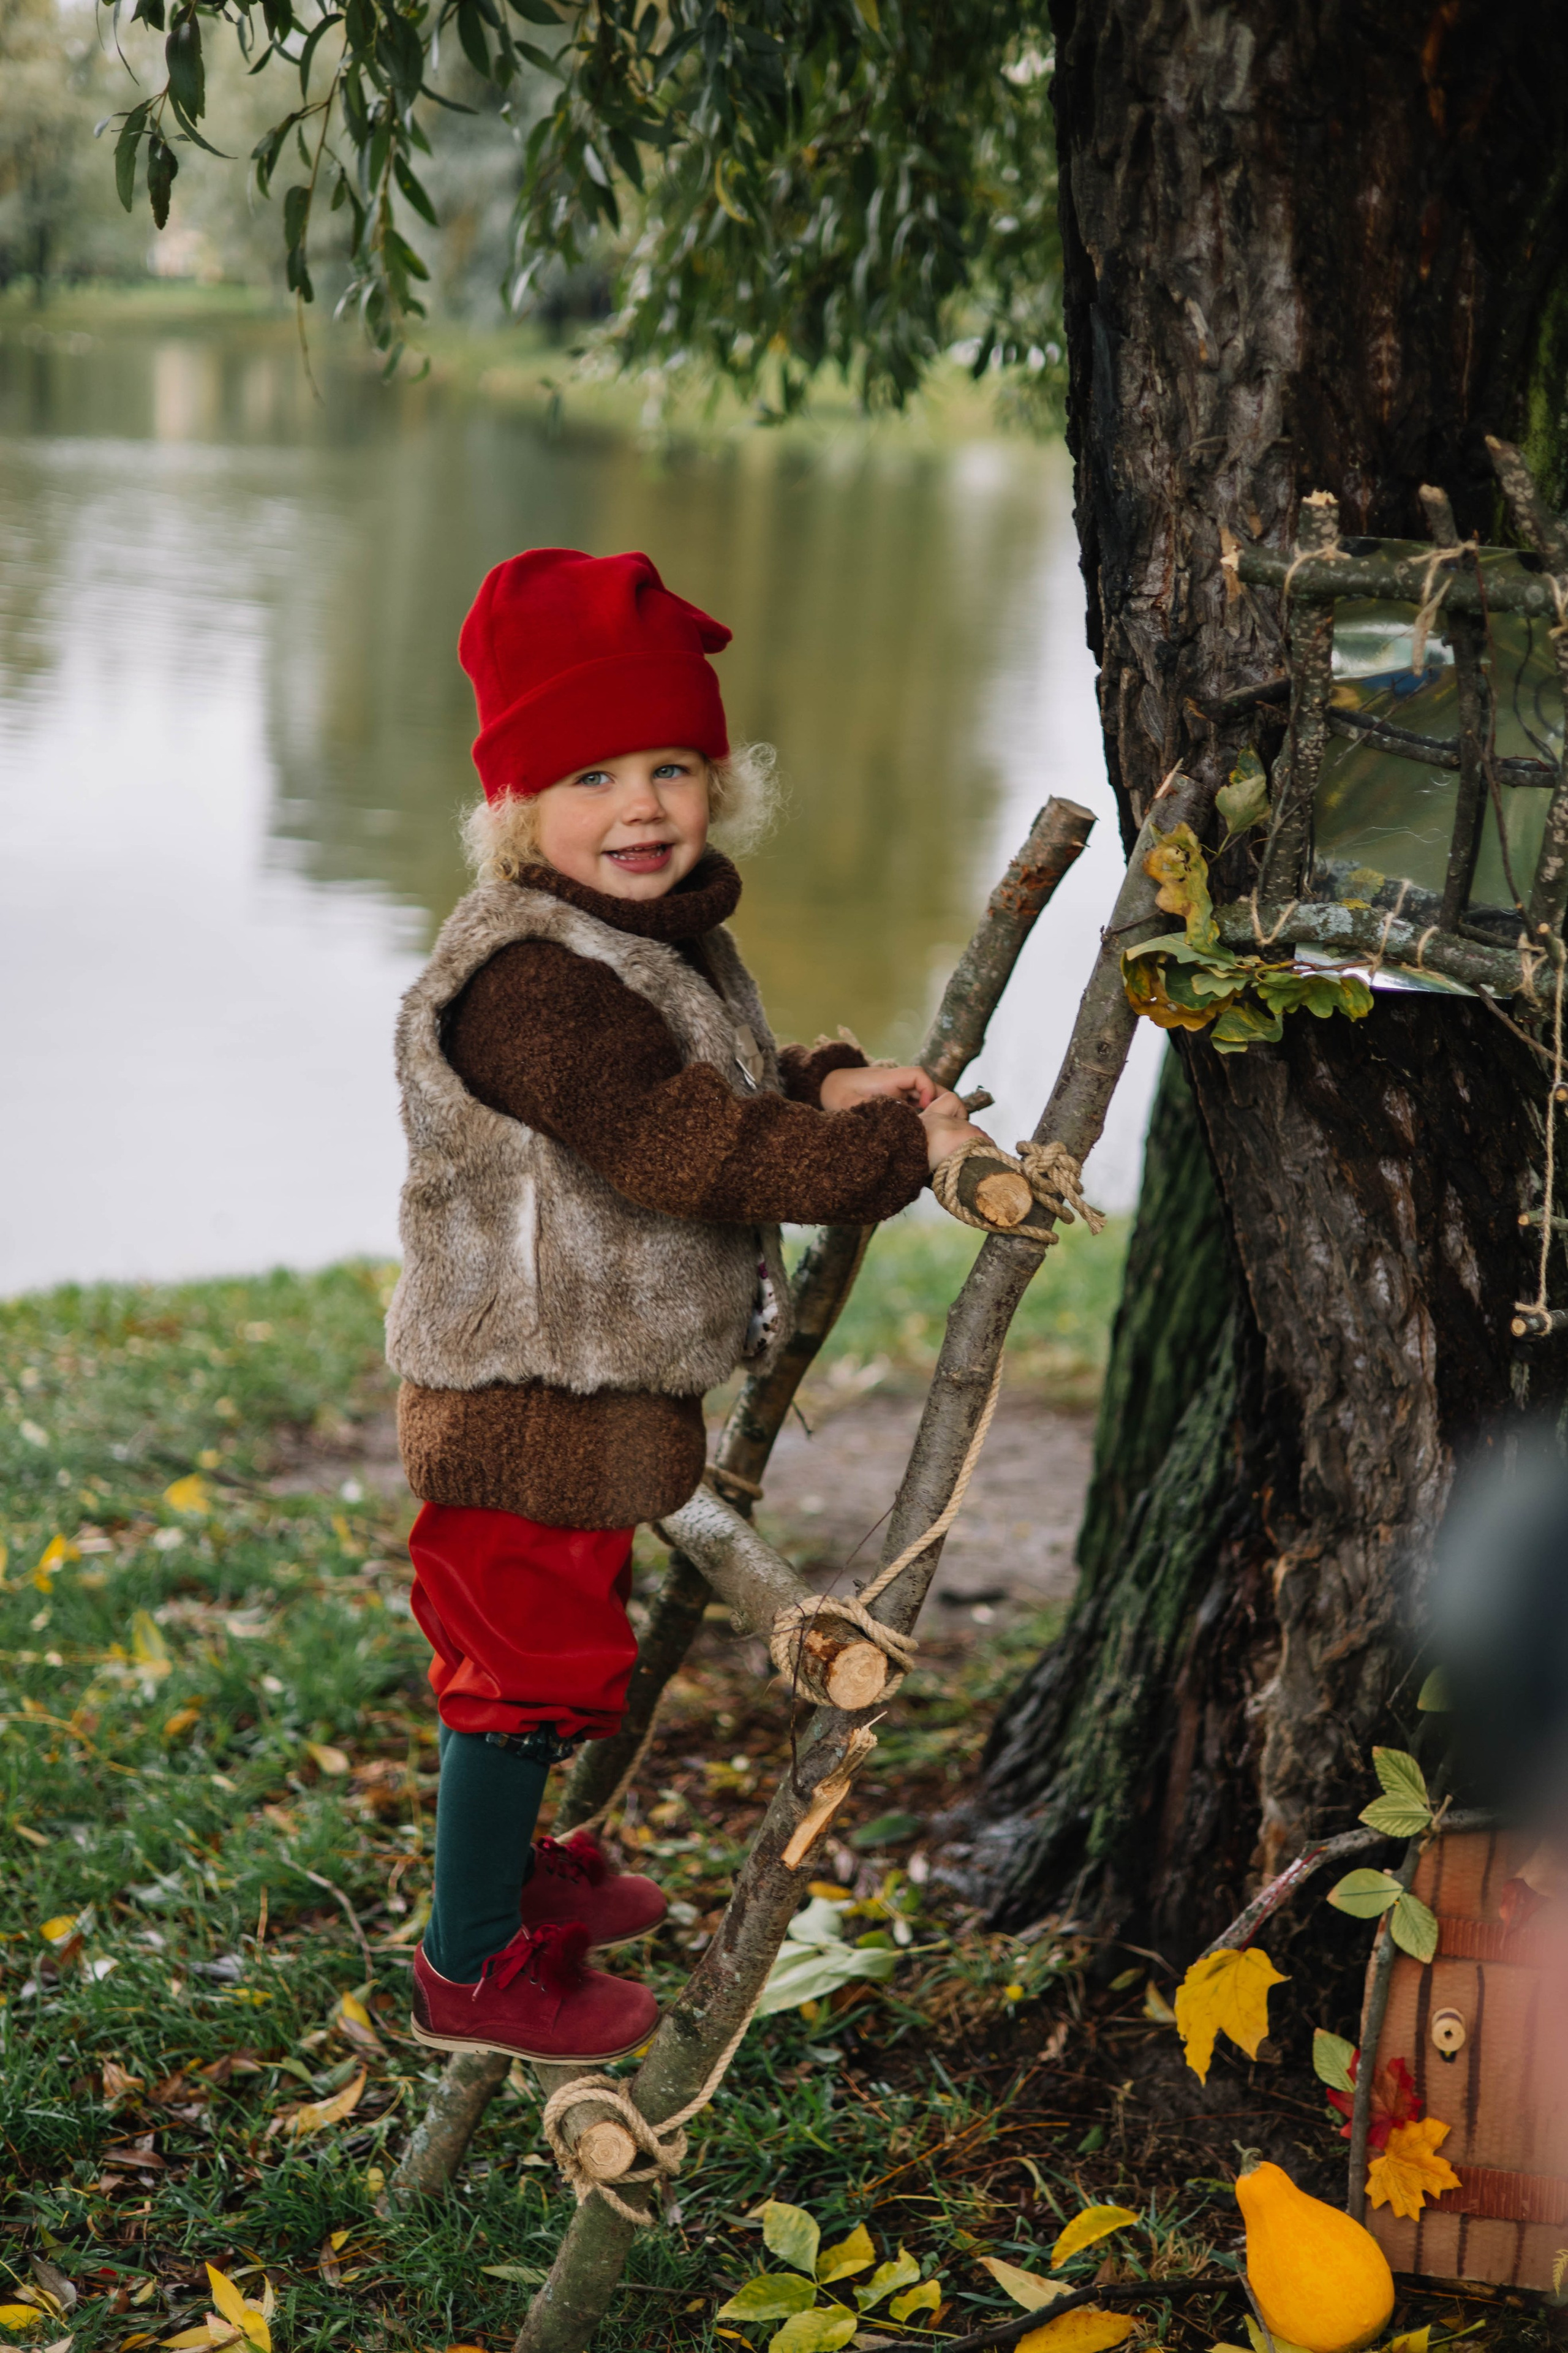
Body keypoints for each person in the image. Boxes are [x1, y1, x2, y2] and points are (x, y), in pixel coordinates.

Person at [386, 546, 990, 2063]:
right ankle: (470, 1961)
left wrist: (828, 1084)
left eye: (671, 766)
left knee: (554, 1655)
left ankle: (511, 1868)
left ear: (722, 783)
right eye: (588, 776)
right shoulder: (530, 980)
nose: (640, 806)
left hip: (589, 1391)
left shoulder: (645, 940)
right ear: (515, 807)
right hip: (520, 1394)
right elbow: (676, 1143)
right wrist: (882, 1158)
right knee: (516, 1674)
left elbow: (706, 1078)